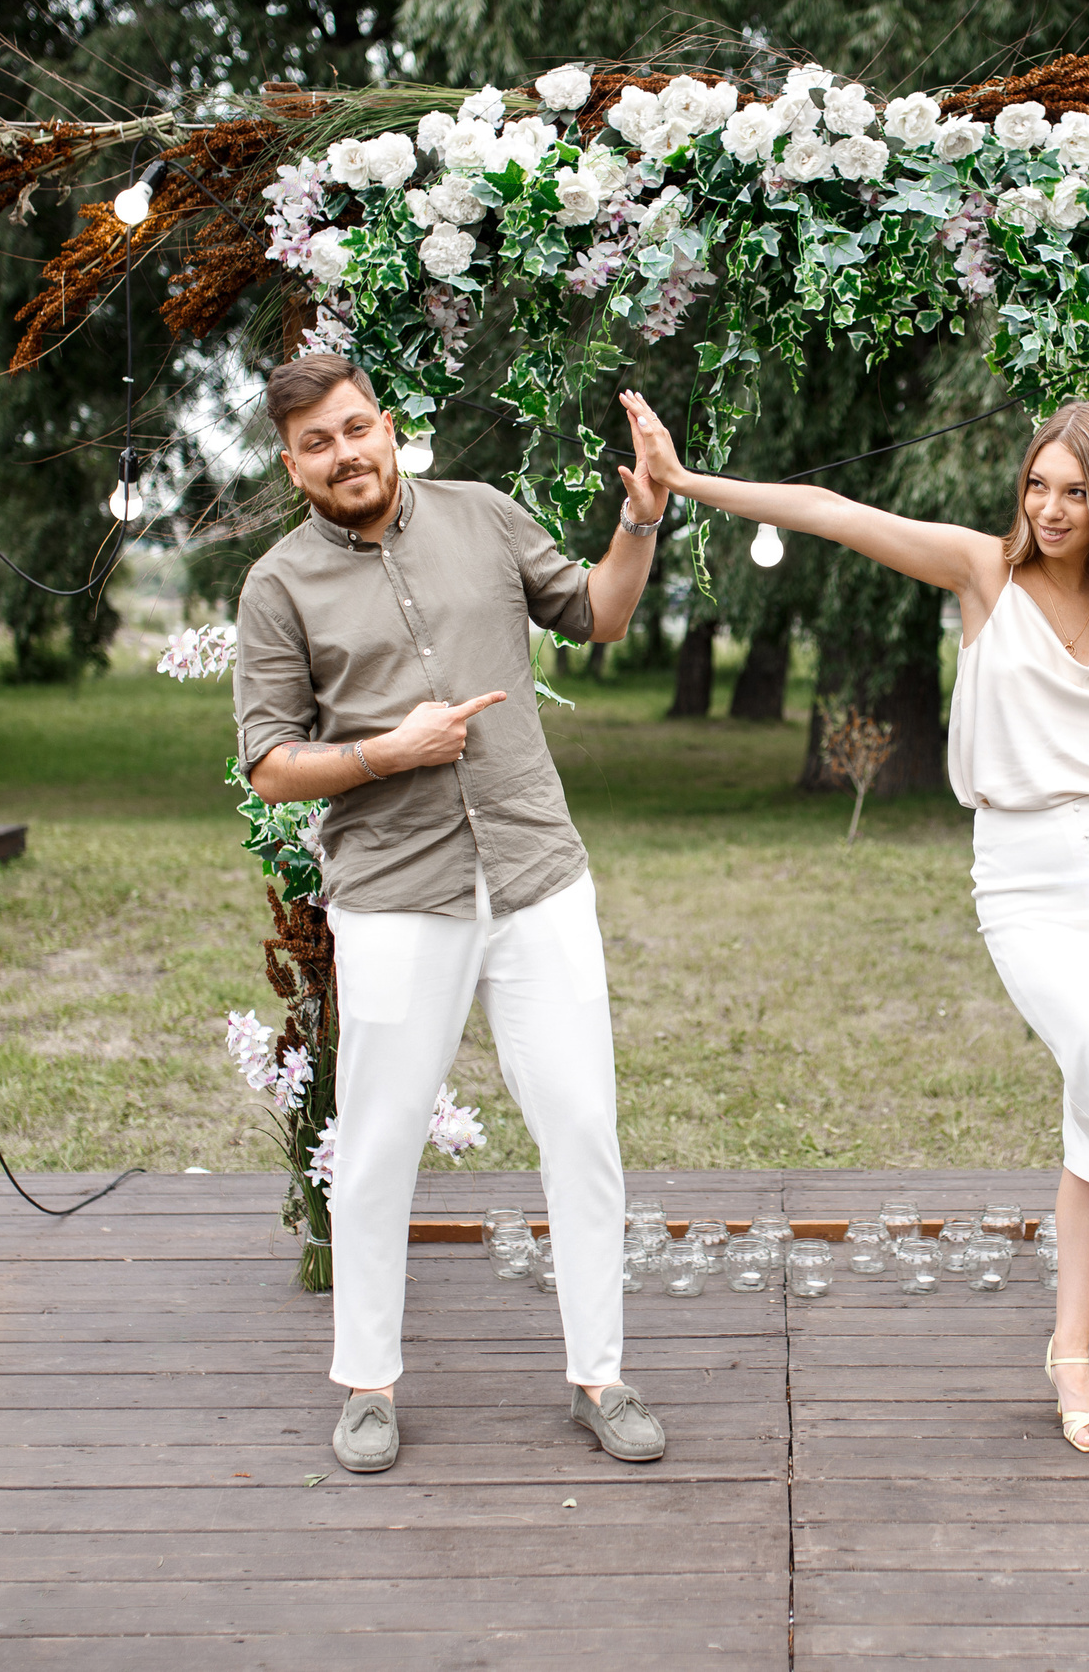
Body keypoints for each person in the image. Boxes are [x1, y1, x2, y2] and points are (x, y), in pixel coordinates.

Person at [618, 391, 1089, 1484]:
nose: (1050, 508)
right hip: (1025, 883)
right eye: (1037, 485)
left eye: (1075, 492)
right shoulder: (985, 574)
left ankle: (1069, 1355)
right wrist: (686, 481)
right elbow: (834, 512)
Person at [234, 354, 672, 1474]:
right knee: (378, 1143)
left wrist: (639, 518)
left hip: (535, 872)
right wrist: (389, 752)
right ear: (293, 466)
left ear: (386, 426)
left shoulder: (484, 514)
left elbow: (600, 614)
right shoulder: (278, 586)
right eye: (317, 445)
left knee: (582, 1126)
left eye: (354, 429)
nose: (344, 455)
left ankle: (601, 1376)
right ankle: (368, 1385)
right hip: (394, 893)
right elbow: (270, 765)